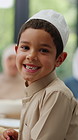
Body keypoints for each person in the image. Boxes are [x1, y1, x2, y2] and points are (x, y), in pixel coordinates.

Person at [0, 9, 78, 140]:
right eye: (25, 47)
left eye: (43, 50)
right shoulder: (34, 90)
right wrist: (19, 136)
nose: (31, 56)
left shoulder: (56, 94)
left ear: (59, 59)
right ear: (16, 50)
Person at [0, 44, 25, 119]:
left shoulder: (29, 83)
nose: (13, 63)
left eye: (16, 58)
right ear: (3, 61)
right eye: (9, 59)